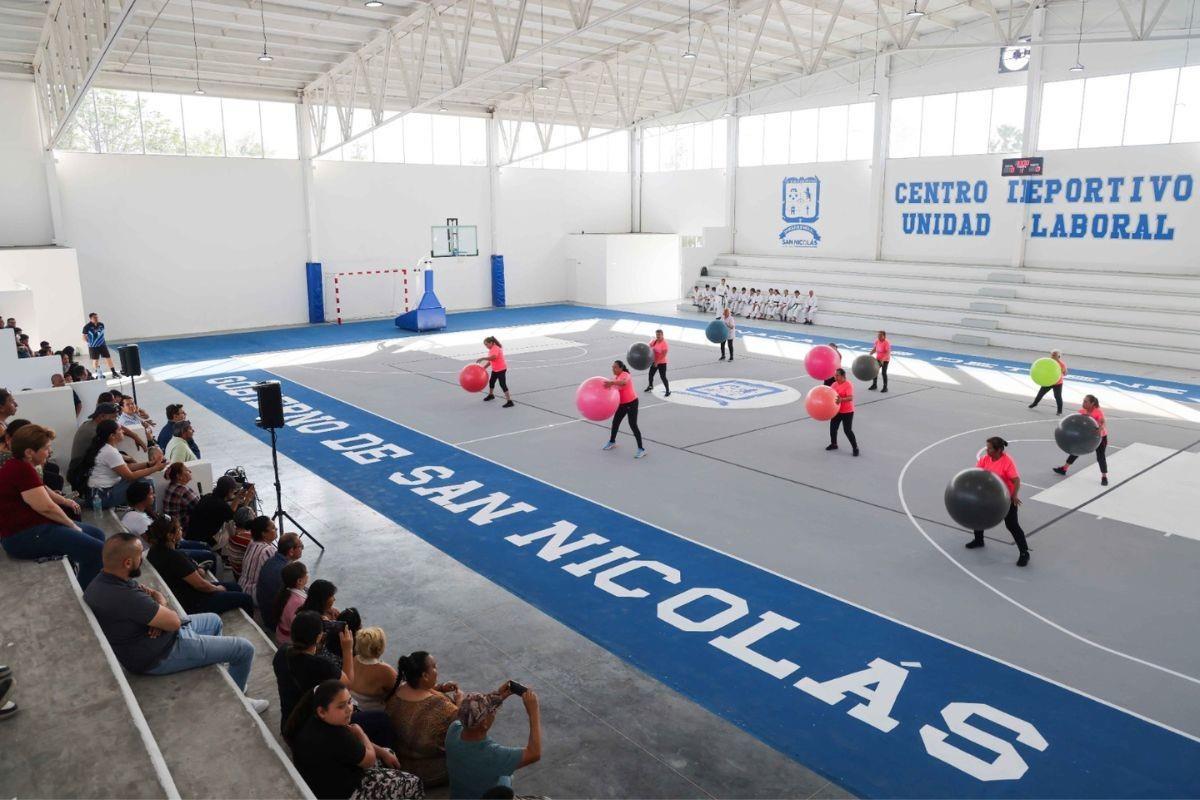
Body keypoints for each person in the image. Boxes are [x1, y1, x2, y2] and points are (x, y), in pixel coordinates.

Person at [84, 533, 268, 709]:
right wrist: (161, 607)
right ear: (128, 562)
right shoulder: (124, 595)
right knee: (244, 649)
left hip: (155, 638)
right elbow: (172, 621)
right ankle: (240, 697)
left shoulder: (106, 580)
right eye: (140, 555)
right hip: (159, 653)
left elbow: (151, 597)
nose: (142, 558)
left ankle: (218, 665)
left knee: (214, 620)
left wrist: (157, 613)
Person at [0, 424, 105, 587]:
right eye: (46, 448)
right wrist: (72, 526)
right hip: (23, 537)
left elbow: (42, 489)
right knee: (99, 551)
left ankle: (88, 579)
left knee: (97, 534)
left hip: (34, 528)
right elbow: (46, 507)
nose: (50, 452)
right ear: (29, 452)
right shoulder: (20, 469)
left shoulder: (21, 465)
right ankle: (89, 594)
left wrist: (65, 501)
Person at [285, 679, 423, 800]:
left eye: (349, 702)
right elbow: (369, 760)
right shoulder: (336, 734)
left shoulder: (312, 721)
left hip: (325, 786)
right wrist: (361, 733)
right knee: (413, 782)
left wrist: (382, 752)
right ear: (322, 711)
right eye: (341, 706)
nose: (349, 709)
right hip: (345, 794)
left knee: (388, 753)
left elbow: (355, 747)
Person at [145, 514, 255, 616]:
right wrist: (218, 589)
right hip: (195, 603)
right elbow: (201, 585)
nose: (181, 530)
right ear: (170, 536)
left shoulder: (154, 551)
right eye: (178, 529)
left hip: (182, 594)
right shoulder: (174, 557)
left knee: (235, 587)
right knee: (246, 599)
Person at [445, 685, 541, 800]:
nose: (494, 712)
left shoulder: (453, 730)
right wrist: (533, 711)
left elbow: (467, 713)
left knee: (505, 775)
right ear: (485, 723)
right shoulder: (493, 755)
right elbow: (534, 753)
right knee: (507, 777)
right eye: (492, 711)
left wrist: (497, 697)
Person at [384, 651, 463, 787]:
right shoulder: (440, 706)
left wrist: (439, 687)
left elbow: (421, 691)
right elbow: (463, 724)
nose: (437, 670)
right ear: (425, 675)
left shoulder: (399, 689)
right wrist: (460, 702)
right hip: (431, 772)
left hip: (403, 764)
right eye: (434, 667)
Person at [967, 437, 1030, 567]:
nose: (987, 450)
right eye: (987, 447)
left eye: (990, 448)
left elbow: (1016, 480)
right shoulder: (985, 459)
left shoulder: (1007, 462)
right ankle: (979, 540)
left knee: (1012, 525)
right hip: (988, 495)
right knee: (978, 516)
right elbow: (977, 473)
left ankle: (1024, 553)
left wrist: (1014, 495)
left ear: (999, 450)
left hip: (1005, 497)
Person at [73, 419, 164, 508]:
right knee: (147, 483)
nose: (122, 432)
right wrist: (155, 468)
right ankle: (153, 516)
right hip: (102, 497)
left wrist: (148, 464)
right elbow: (130, 476)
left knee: (142, 480)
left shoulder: (105, 447)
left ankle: (140, 512)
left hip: (97, 493)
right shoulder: (109, 451)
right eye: (120, 430)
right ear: (112, 436)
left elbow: (126, 467)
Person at [120, 480, 215, 565]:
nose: (154, 496)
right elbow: (157, 543)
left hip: (168, 545)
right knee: (209, 556)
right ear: (142, 498)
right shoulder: (139, 520)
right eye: (151, 494)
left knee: (205, 546)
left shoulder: (136, 512)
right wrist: (176, 536)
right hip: (159, 553)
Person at [1052, 395, 1110, 486]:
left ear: (1092, 403)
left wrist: (1100, 428)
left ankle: (1104, 477)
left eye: (1086, 401)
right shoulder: (1081, 412)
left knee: (1100, 457)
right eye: (1083, 401)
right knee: (1076, 450)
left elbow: (1102, 421)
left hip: (1100, 437)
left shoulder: (1097, 411)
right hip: (1085, 437)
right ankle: (1064, 469)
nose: (1083, 403)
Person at [188, 475, 252, 547]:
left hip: (191, 536)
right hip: (206, 542)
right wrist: (246, 501)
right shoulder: (222, 506)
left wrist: (237, 498)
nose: (235, 491)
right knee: (232, 530)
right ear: (229, 491)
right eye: (234, 490)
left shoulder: (207, 496)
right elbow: (235, 517)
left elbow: (228, 510)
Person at [257, 532, 304, 631]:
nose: (302, 548)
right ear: (291, 551)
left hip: (267, 616)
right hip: (277, 623)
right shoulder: (286, 572)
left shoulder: (271, 561)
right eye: (301, 546)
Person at [602, 360, 645, 459]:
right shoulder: (615, 378)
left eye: (615, 367)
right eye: (612, 367)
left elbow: (623, 383)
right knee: (615, 422)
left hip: (632, 403)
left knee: (633, 425)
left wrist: (612, 382)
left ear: (621, 368)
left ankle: (641, 449)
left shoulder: (625, 374)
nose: (613, 369)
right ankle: (612, 442)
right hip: (622, 404)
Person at [239, 515, 278, 598]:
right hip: (253, 594)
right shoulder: (268, 550)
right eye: (273, 528)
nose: (276, 529)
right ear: (263, 533)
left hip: (241, 587)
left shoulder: (252, 542)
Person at [826, 369, 859, 457]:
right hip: (836, 410)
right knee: (833, 428)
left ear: (842, 376)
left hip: (847, 411)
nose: (835, 377)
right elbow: (830, 394)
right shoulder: (834, 384)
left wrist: (841, 399)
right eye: (835, 375)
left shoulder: (848, 385)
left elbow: (850, 398)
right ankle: (834, 444)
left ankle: (855, 448)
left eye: (837, 375)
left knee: (847, 430)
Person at [275, 561, 310, 644]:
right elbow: (299, 627)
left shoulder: (286, 592)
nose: (307, 576)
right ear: (299, 581)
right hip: (289, 641)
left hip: (281, 634)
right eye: (306, 574)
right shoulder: (298, 602)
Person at [162, 462, 201, 532]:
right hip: (182, 531)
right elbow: (201, 507)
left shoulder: (170, 487)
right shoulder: (184, 491)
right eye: (186, 470)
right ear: (179, 476)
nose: (190, 471)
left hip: (170, 528)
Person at [476, 336, 513, 408]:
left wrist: (482, 358)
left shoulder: (495, 348)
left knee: (502, 384)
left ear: (491, 343)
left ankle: (509, 401)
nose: (486, 346)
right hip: (495, 369)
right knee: (491, 382)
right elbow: (491, 361)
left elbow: (494, 357)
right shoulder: (491, 349)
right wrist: (484, 368)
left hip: (501, 369)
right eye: (485, 345)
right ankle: (491, 395)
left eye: (486, 344)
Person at [1029, 350, 1068, 415]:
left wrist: (1063, 371)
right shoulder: (1047, 362)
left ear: (1058, 356)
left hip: (1057, 383)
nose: (1052, 356)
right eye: (1052, 355)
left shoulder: (1062, 364)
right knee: (1040, 393)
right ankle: (1034, 404)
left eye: (1054, 355)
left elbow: (1065, 373)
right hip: (1048, 382)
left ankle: (1059, 411)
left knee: (1058, 396)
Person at [82, 312, 118, 379]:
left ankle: (114, 372)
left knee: (108, 358)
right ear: (90, 319)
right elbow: (84, 337)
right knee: (95, 361)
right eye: (94, 317)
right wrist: (90, 342)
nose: (96, 318)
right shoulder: (87, 327)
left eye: (97, 317)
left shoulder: (101, 324)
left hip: (102, 345)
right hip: (93, 347)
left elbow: (101, 334)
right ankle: (98, 374)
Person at [645, 330, 670, 396]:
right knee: (650, 374)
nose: (658, 336)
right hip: (654, 361)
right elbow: (649, 346)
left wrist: (657, 362)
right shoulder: (655, 341)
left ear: (662, 335)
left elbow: (663, 355)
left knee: (663, 377)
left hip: (662, 363)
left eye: (659, 335)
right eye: (657, 335)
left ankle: (668, 390)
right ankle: (650, 386)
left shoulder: (664, 344)